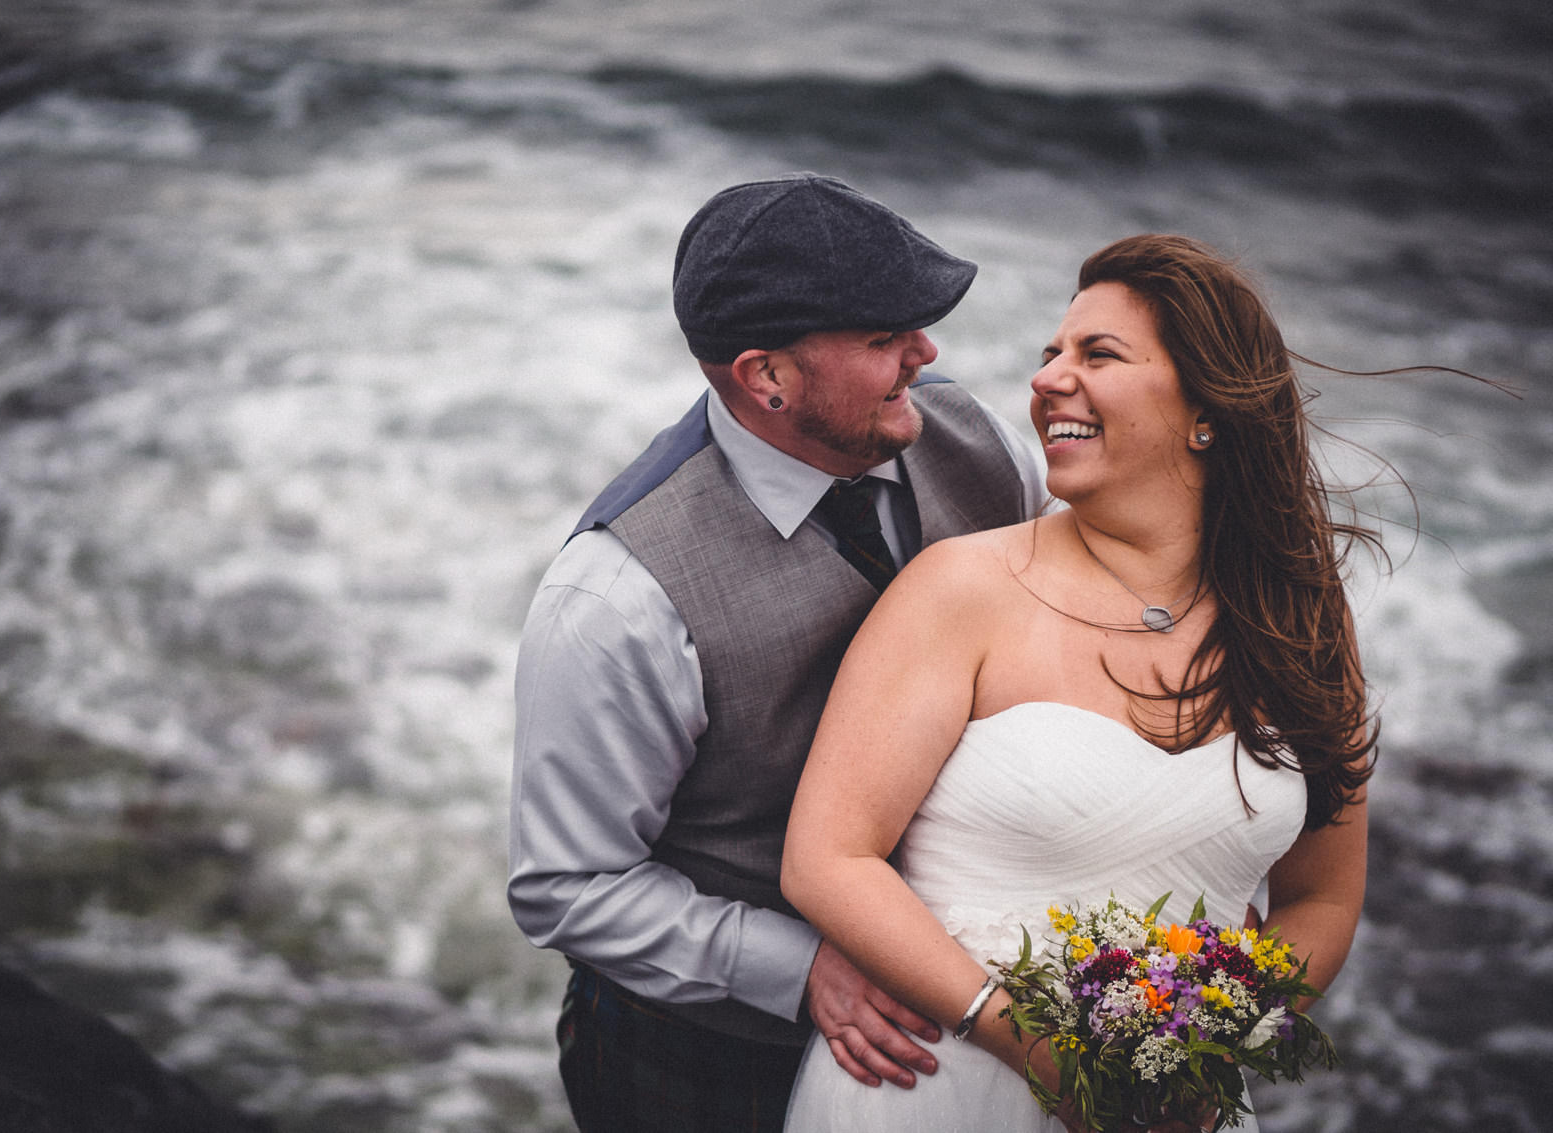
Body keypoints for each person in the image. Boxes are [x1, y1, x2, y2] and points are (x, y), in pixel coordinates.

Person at [780, 233, 1378, 1132]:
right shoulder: (960, 588)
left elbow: (1322, 897)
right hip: (939, 1086)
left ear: (1205, 408)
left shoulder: (1298, 614)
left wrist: (1205, 1042)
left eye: (1097, 354)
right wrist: (1031, 1042)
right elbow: (827, 858)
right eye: (1050, 354)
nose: (1051, 378)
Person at [507, 172, 1049, 1132]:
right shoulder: (617, 600)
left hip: (969, 1027)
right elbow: (568, 885)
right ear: (767, 377)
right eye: (885, 339)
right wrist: (800, 969)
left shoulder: (979, 443)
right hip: (702, 1068)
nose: (926, 355)